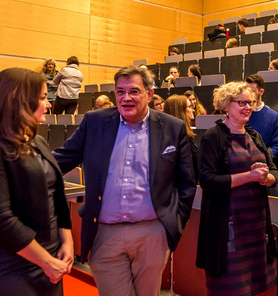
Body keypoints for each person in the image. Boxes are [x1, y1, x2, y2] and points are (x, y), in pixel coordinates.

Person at [52, 65, 196, 296]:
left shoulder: (172, 127)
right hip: (105, 232)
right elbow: (61, 159)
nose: (126, 98)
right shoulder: (95, 122)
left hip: (152, 233)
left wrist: (174, 224)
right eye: (120, 92)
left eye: (134, 91)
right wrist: (18, 168)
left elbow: (186, 181)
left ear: (149, 94)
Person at [0, 68, 74, 295]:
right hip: (10, 265)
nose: (48, 104)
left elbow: (56, 197)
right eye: (43, 97)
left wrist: (67, 241)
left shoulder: (37, 141)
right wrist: (45, 261)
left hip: (50, 261)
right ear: (19, 100)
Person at [196, 81, 278, 296]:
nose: (247, 107)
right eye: (241, 102)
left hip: (256, 228)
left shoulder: (255, 136)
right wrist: (249, 176)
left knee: (255, 287)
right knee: (230, 288)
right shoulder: (213, 137)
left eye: (250, 103)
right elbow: (207, 180)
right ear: (225, 104)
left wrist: (265, 177)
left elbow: (274, 174)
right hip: (228, 228)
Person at [245, 74, 278, 161]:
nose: (248, 95)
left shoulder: (273, 116)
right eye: (246, 91)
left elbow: (277, 147)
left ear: (261, 92)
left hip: (263, 163)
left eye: (252, 91)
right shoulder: (241, 113)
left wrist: (262, 159)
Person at [164, 94, 198, 181]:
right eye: (189, 107)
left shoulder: (185, 135)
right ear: (180, 111)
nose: (193, 110)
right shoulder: (174, 139)